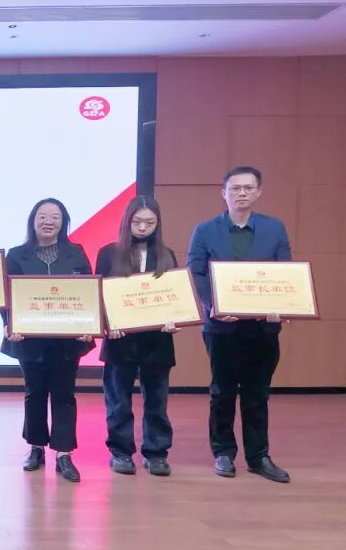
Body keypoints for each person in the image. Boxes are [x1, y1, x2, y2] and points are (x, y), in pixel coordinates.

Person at [187, 165, 292, 483]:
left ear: (258, 192)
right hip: (222, 326)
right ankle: (223, 452)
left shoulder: (275, 228)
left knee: (257, 393)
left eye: (248, 188)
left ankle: (259, 457)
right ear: (224, 193)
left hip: (263, 326)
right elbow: (196, 273)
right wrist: (213, 306)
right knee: (222, 391)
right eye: (235, 188)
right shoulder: (205, 230)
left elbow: (286, 273)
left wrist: (282, 305)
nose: (241, 193)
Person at [2, 198, 94, 483]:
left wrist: (89, 325)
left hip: (66, 340)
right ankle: (36, 448)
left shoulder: (75, 252)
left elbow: (88, 292)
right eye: (42, 216)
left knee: (64, 394)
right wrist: (9, 324)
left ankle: (64, 453)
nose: (48, 221)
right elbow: (7, 295)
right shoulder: (16, 255)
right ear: (33, 221)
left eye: (55, 217)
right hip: (30, 339)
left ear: (63, 222)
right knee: (34, 392)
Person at [95, 195, 178, 477]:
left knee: (157, 401)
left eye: (149, 222)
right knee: (118, 401)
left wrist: (174, 319)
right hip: (120, 340)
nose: (143, 227)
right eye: (137, 221)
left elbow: (174, 296)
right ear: (127, 221)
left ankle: (156, 453)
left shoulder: (167, 255)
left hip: (158, 340)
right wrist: (108, 323)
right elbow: (99, 295)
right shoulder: (109, 253)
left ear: (158, 224)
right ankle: (120, 452)